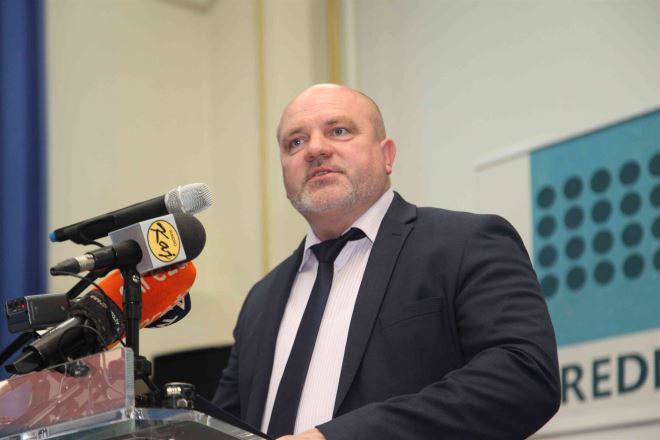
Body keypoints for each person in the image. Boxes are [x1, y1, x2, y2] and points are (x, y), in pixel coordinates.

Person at [213, 84, 560, 439]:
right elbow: (224, 427)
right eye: (295, 142)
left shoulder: (466, 243)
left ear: (386, 155)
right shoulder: (261, 299)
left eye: (339, 131)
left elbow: (525, 376)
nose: (315, 149)